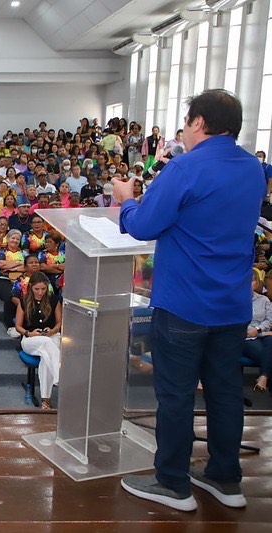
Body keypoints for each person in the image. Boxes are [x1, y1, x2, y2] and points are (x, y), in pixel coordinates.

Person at [114, 90, 265, 512]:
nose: (183, 129)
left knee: (177, 394)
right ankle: (225, 478)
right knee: (224, 393)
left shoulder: (185, 166)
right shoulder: (253, 168)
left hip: (184, 303)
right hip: (232, 305)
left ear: (198, 122)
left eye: (185, 121)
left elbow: (144, 225)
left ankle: (173, 482)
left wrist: (126, 199)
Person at [15, 272, 63, 410]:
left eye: (43, 289)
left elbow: (59, 323)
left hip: (51, 335)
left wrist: (52, 331)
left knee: (45, 357)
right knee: (47, 344)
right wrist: (29, 333)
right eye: (37, 289)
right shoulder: (24, 301)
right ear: (31, 287)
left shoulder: (54, 300)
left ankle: (45, 400)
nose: (40, 292)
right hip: (30, 338)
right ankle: (60, 377)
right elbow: (18, 326)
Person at [244, 270, 272, 393]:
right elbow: (235, 324)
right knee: (265, 355)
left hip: (262, 334)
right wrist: (256, 332)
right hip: (245, 337)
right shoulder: (234, 301)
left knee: (271, 340)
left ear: (257, 283)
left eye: (252, 280)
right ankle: (264, 378)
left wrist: (258, 330)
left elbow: (269, 320)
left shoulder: (264, 299)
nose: (249, 283)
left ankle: (263, 377)